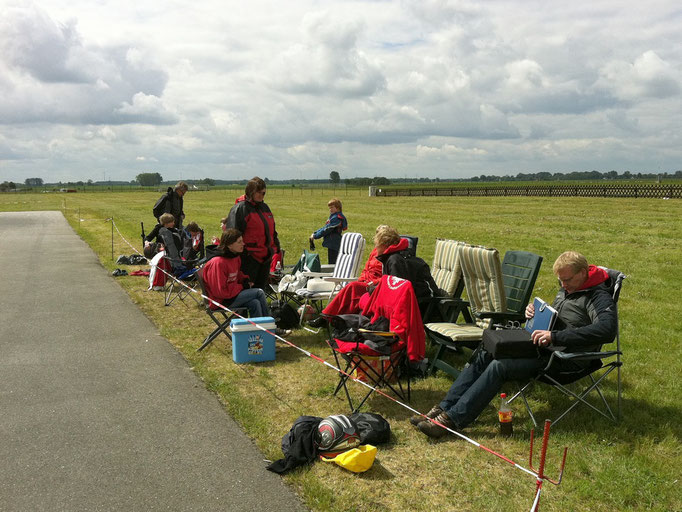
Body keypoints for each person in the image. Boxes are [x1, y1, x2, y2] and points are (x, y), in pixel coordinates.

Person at [413, 251, 618, 438]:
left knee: (500, 366)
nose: (563, 285)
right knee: (487, 350)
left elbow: (607, 331)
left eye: (567, 280)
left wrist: (555, 337)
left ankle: (452, 420)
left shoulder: (597, 296)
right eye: (560, 280)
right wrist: (534, 312)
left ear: (583, 273)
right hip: (543, 348)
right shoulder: (569, 288)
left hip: (565, 360)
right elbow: (558, 316)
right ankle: (444, 407)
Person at [201, 229, 290, 337]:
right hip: (220, 301)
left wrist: (245, 279)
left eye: (242, 241)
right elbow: (220, 292)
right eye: (239, 242)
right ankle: (271, 330)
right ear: (229, 245)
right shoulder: (218, 263)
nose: (243, 244)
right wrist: (242, 286)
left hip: (231, 296)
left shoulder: (234, 257)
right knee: (259, 292)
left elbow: (237, 274)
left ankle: (259, 337)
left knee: (255, 303)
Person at [226, 177, 280, 290]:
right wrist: (242, 255)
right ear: (251, 192)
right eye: (259, 192)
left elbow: (272, 230)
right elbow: (232, 235)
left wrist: (276, 247)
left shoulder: (265, 208)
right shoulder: (240, 209)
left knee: (261, 291)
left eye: (264, 193)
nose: (262, 195)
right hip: (248, 260)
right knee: (248, 291)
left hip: (265, 258)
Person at [309, 198, 347, 264]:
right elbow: (325, 227)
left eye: (332, 207)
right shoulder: (334, 216)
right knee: (332, 261)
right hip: (332, 243)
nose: (330, 209)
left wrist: (315, 236)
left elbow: (327, 229)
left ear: (337, 208)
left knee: (333, 263)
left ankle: (335, 274)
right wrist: (315, 233)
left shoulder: (337, 218)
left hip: (334, 243)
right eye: (329, 208)